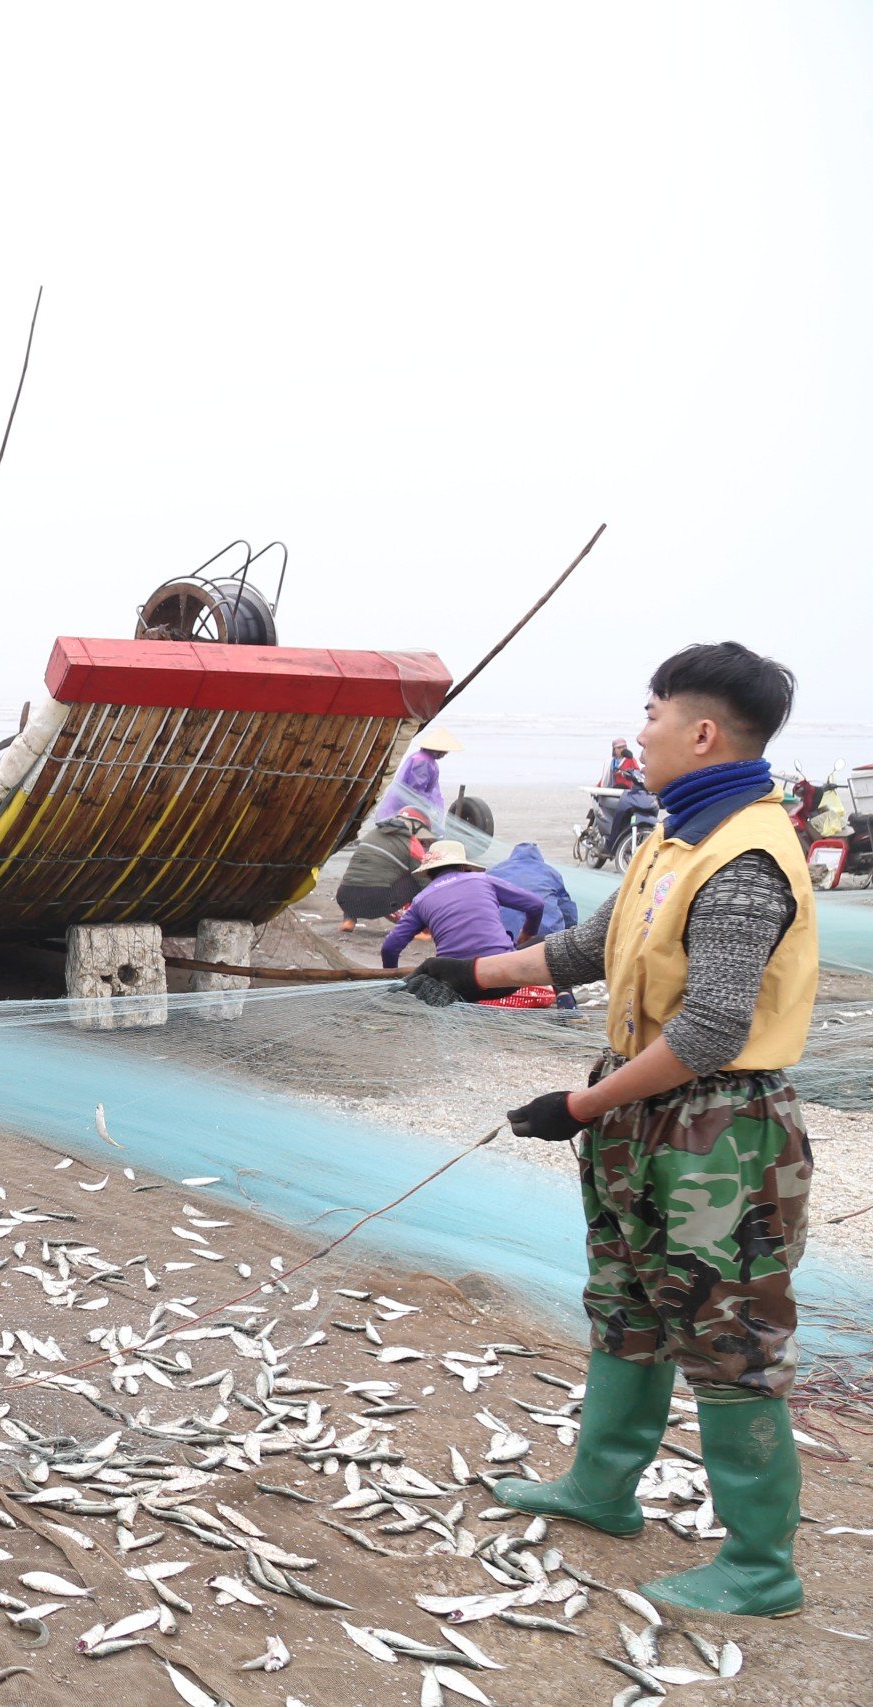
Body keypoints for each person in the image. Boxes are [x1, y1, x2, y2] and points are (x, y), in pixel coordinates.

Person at [406, 642, 816, 1618]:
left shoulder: (747, 857)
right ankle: (601, 1489)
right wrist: (477, 975)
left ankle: (761, 1567)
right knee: (626, 1301)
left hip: (719, 1131)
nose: (642, 731)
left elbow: (712, 1029)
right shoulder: (676, 838)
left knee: (727, 1335)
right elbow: (597, 944)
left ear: (702, 731)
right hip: (640, 1116)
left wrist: (579, 1107)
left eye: (654, 712)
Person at [378, 841, 544, 968]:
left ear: (428, 873)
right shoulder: (482, 880)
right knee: (547, 943)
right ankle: (564, 999)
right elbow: (536, 905)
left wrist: (392, 978)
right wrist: (526, 935)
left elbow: (390, 947)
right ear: (464, 866)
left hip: (456, 981)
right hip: (503, 974)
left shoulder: (420, 900)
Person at [334, 806, 431, 924]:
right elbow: (425, 883)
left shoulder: (372, 834)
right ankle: (415, 925)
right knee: (417, 877)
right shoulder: (412, 844)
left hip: (345, 899)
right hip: (376, 902)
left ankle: (349, 920)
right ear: (415, 827)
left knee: (360, 873)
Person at [491, 840, 577, 939]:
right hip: (545, 936)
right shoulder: (550, 872)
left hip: (499, 935)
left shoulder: (494, 870)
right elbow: (568, 911)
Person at [375, 729, 462, 822]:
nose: (445, 754)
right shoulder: (423, 762)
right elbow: (416, 790)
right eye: (445, 751)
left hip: (405, 801)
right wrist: (426, 807)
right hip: (406, 805)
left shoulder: (422, 758)